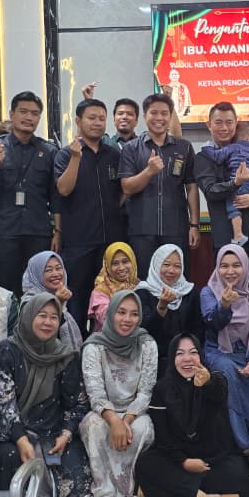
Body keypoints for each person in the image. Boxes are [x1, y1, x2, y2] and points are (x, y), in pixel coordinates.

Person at [0, 293, 90, 497]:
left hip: (52, 431)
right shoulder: (5, 351)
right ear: (28, 316)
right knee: (9, 458)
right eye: (42, 315)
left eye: (54, 317)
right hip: (13, 433)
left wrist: (66, 434)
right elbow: (4, 403)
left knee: (78, 476)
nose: (48, 322)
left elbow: (77, 402)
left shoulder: (65, 356)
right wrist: (21, 439)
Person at [135, 333, 249, 497]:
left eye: (193, 352)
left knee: (238, 473)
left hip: (212, 460)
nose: (187, 359)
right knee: (147, 463)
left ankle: (160, 490)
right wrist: (184, 461)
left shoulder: (214, 379)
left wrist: (207, 382)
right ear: (172, 357)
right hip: (177, 460)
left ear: (201, 356)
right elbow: (163, 437)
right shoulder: (162, 388)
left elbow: (219, 391)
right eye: (180, 353)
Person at [79, 291, 159, 497]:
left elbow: (146, 392)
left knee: (142, 429)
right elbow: (95, 392)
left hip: (135, 412)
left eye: (134, 314)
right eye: (121, 312)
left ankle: (130, 487)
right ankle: (105, 488)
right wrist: (114, 420)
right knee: (93, 426)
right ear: (111, 313)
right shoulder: (94, 346)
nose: (127, 319)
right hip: (103, 411)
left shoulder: (147, 344)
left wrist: (127, 420)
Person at [54, 98, 125, 329]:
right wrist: (76, 158)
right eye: (91, 118)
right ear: (78, 121)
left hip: (110, 241)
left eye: (101, 118)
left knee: (109, 300)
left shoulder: (113, 154)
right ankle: (77, 346)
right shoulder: (66, 154)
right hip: (79, 242)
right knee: (77, 300)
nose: (97, 123)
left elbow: (123, 191)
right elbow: (63, 189)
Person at [0, 91, 58, 291]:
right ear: (12, 114)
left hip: (38, 231)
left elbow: (56, 197)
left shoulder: (48, 150)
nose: (29, 117)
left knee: (39, 287)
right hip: (4, 231)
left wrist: (58, 231)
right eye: (23, 112)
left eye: (35, 113)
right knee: (5, 288)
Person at [119, 93, 199, 274]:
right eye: (154, 113)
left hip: (176, 229)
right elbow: (127, 187)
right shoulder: (131, 148)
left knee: (177, 279)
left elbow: (191, 187)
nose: (159, 118)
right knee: (144, 280)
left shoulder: (184, 147)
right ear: (145, 116)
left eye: (164, 113)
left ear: (170, 117)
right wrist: (149, 171)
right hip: (142, 230)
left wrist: (194, 225)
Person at [201, 245, 249, 449]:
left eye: (236, 265)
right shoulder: (209, 291)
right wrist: (224, 305)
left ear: (246, 266)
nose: (230, 271)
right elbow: (212, 323)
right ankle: (242, 443)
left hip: (248, 354)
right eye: (224, 266)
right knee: (227, 374)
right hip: (219, 352)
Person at [194, 102, 249, 268]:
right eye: (218, 122)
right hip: (227, 237)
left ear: (236, 123)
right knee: (230, 282)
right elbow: (210, 191)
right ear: (209, 125)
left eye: (229, 122)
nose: (224, 128)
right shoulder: (204, 157)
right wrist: (235, 183)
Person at [134, 244, 201, 370]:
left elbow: (198, 329)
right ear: (157, 264)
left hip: (185, 357)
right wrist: (161, 308)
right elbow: (143, 331)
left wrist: (186, 352)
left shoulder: (190, 292)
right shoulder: (143, 292)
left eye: (177, 266)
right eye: (166, 264)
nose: (171, 270)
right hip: (153, 358)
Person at [21, 250, 84, 350]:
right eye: (48, 270)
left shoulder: (67, 296)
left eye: (58, 268)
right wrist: (57, 303)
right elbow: (40, 336)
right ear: (37, 274)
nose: (55, 274)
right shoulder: (29, 302)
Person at [88, 241, 139, 330]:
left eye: (125, 262)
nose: (121, 267)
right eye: (115, 263)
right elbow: (105, 320)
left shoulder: (140, 286)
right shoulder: (100, 291)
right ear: (107, 266)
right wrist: (117, 298)